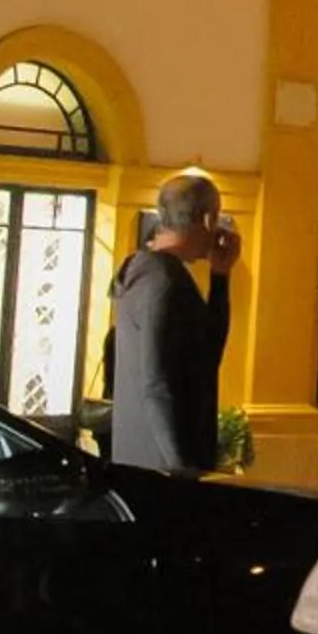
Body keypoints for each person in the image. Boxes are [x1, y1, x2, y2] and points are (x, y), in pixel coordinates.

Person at [110, 172, 237, 475]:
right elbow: (156, 382)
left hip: (140, 457)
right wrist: (180, 467)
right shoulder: (163, 282)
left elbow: (206, 356)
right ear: (208, 219)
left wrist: (221, 276)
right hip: (162, 468)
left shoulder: (144, 271)